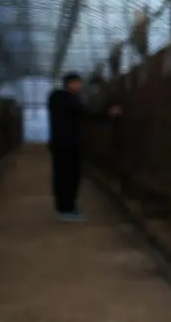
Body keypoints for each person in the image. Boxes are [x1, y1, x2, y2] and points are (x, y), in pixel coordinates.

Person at [47, 73, 120, 221]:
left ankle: (65, 208)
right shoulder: (67, 99)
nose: (80, 86)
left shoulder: (60, 99)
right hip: (68, 145)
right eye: (78, 83)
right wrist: (109, 113)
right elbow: (87, 113)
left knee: (64, 176)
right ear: (70, 84)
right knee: (69, 177)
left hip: (62, 144)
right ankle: (67, 209)